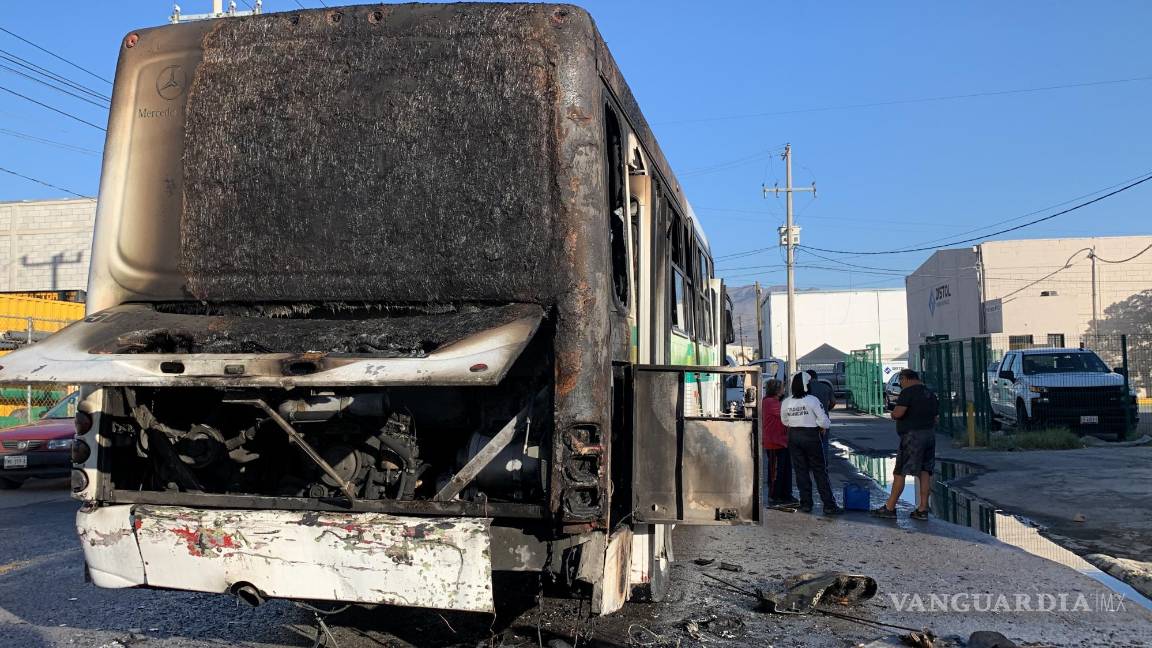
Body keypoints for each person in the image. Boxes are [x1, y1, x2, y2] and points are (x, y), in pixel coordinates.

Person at [872, 368, 939, 521]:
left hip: (912, 437)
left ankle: (889, 507)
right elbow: (936, 419)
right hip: (929, 435)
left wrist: (893, 413)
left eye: (901, 381)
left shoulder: (908, 392)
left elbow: (898, 413)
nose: (901, 384)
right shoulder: (930, 394)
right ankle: (922, 509)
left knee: (900, 471)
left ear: (905, 379)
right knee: (925, 471)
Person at [780, 372, 841, 515]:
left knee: (801, 471)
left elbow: (784, 421)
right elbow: (824, 421)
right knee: (819, 471)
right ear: (806, 385)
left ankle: (806, 503)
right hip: (811, 436)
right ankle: (829, 505)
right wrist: (820, 426)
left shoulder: (786, 402)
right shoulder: (812, 400)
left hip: (794, 437)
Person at [761, 378, 796, 505]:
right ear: (776, 390)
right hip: (774, 442)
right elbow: (786, 414)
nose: (783, 389)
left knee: (785, 470)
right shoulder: (769, 402)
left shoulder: (774, 401)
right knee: (776, 471)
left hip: (781, 441)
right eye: (781, 387)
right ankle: (774, 495)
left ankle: (785, 494)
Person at [806, 369, 836, 461]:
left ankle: (811, 463)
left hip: (810, 420)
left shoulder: (806, 388)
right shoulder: (826, 387)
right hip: (823, 419)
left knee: (810, 443)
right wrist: (827, 409)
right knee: (824, 442)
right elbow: (833, 402)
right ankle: (824, 463)